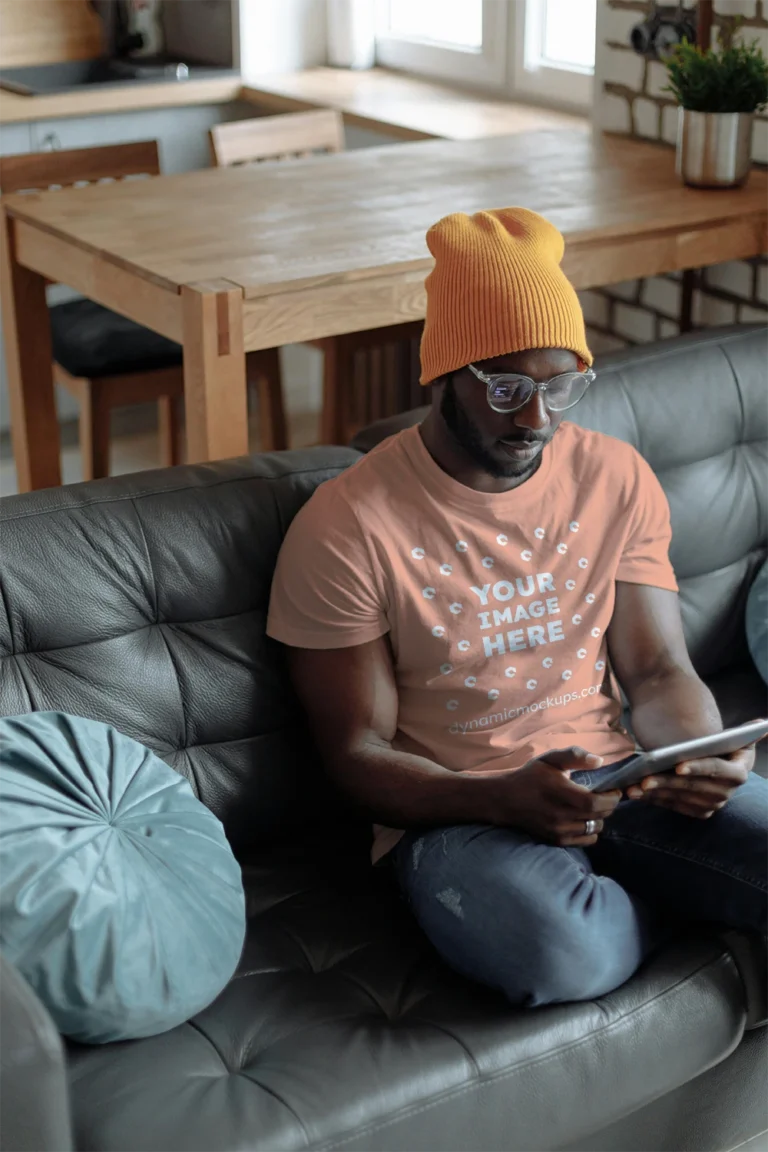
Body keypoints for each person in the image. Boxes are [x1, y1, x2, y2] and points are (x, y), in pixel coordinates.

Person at [267, 206, 766, 1007]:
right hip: (457, 817)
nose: (535, 418)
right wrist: (495, 796)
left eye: (559, 385)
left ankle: (683, 891)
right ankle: (702, 904)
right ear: (441, 376)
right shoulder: (346, 526)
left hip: (620, 782)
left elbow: (657, 668)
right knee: (564, 954)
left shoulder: (614, 476)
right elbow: (355, 754)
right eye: (505, 388)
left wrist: (698, 754)